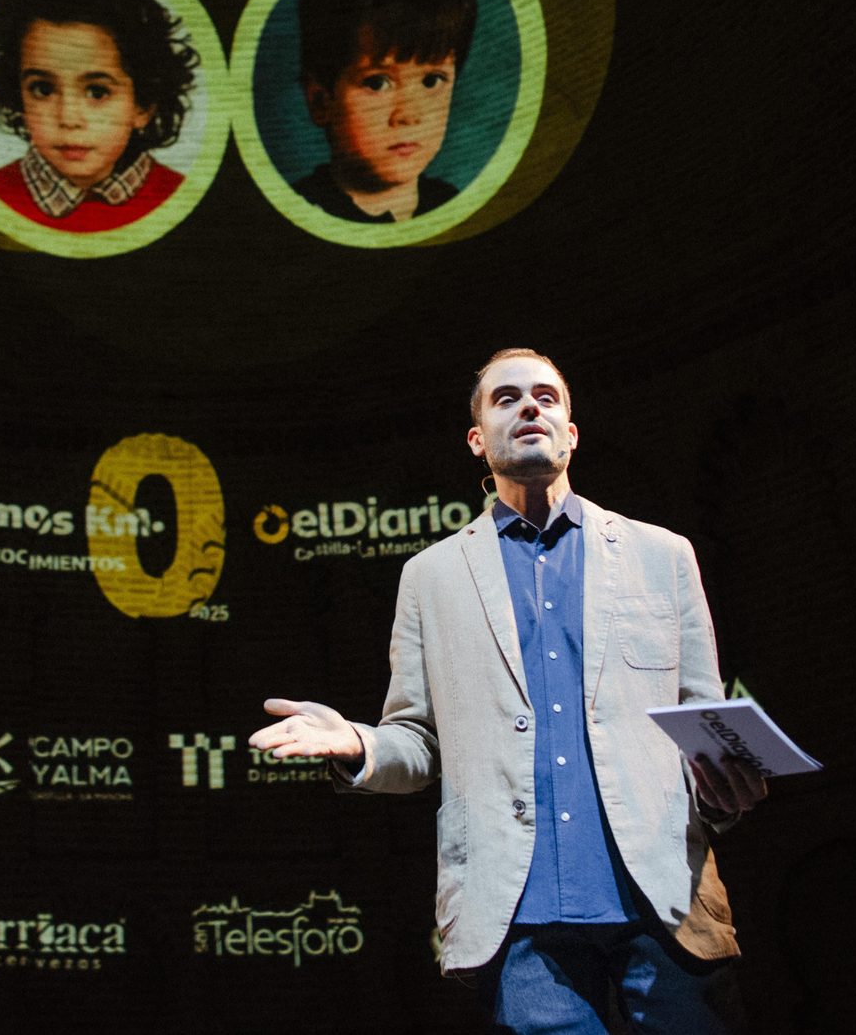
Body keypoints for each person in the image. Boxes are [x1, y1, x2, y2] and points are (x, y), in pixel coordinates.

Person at [249, 350, 766, 1035]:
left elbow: (699, 723)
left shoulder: (662, 556)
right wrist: (360, 743)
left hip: (665, 898)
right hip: (518, 915)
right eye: (507, 399)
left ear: (571, 431)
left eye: (547, 397)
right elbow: (418, 741)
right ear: (478, 440)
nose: (530, 407)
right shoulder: (430, 576)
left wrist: (726, 787)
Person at [0, 0, 200, 233]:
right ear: (17, 97)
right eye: (42, 89)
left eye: (97, 92)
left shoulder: (184, 200)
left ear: (143, 105)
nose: (69, 119)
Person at [290, 0, 474, 224]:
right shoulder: (303, 212)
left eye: (431, 80)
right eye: (377, 83)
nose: (408, 115)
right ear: (321, 101)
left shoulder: (453, 205)